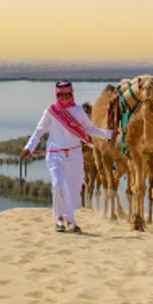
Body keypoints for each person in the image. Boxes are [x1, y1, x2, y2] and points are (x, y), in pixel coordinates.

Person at [20, 81, 113, 233]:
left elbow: (89, 129)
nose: (64, 97)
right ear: (57, 95)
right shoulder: (51, 111)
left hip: (75, 155)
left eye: (67, 94)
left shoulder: (78, 111)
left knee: (73, 190)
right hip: (55, 155)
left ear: (71, 94)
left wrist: (108, 134)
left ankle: (70, 221)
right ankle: (59, 219)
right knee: (57, 185)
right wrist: (28, 147)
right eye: (61, 95)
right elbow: (39, 131)